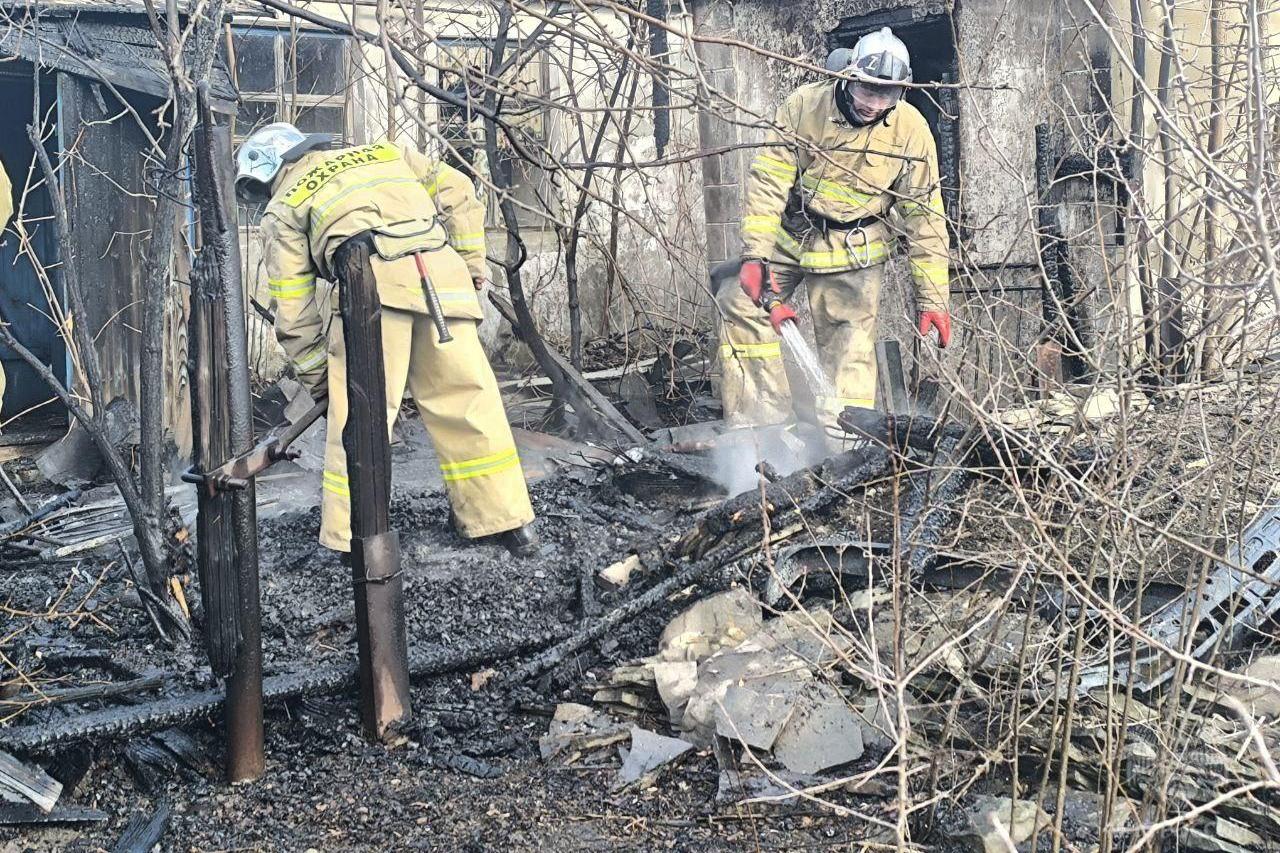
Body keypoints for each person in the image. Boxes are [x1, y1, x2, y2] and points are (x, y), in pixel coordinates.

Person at [234, 123, 538, 556]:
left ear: (270, 172)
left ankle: (351, 541)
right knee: (470, 404)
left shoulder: (284, 206)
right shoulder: (385, 153)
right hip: (443, 281)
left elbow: (294, 312)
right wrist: (471, 263)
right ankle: (506, 522)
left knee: (362, 420)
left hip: (372, 297)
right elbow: (458, 189)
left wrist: (321, 383)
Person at [718, 27, 951, 438]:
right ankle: (763, 432)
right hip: (792, 237)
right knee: (741, 305)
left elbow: (925, 217)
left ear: (901, 92)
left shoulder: (911, 131)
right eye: (866, 90)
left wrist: (933, 298)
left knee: (849, 351)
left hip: (854, 253)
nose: (873, 105)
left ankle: (845, 449)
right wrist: (755, 256)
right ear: (848, 75)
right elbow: (768, 183)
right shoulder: (805, 107)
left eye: (887, 95)